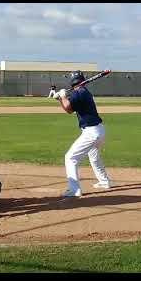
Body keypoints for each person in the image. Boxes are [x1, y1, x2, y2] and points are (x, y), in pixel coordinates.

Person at [53, 70, 111, 198]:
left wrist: (62, 97)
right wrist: (60, 99)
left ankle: (74, 190)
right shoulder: (82, 92)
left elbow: (68, 108)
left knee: (70, 158)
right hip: (99, 130)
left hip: (91, 132)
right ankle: (104, 181)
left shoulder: (78, 92)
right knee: (94, 156)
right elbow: (70, 107)